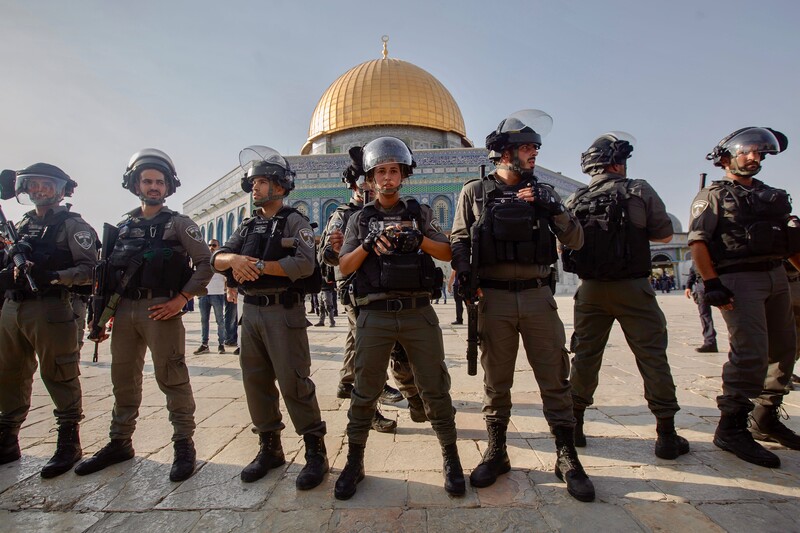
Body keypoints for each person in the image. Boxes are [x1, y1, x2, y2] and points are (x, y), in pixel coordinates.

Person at [451, 110, 594, 502]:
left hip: (536, 295)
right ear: (505, 153)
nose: (534, 154)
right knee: (496, 381)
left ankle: (566, 455)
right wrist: (464, 271)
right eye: (527, 147)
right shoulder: (474, 191)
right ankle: (497, 451)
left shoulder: (543, 192)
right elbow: (460, 238)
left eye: (535, 147)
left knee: (554, 376)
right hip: (493, 298)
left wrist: (555, 208)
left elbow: (577, 240)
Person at [335, 136, 464, 500]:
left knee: (435, 387)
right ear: (371, 179)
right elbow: (344, 266)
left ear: (403, 175)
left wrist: (416, 237)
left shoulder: (420, 213)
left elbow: (448, 252)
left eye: (394, 171)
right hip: (374, 315)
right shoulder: (360, 219)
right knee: (365, 390)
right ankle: (354, 461)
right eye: (381, 172)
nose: (388, 178)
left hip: (417, 313)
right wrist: (368, 244)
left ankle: (451, 459)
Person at [74, 149, 211, 482]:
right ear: (136, 184)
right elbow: (106, 275)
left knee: (172, 376)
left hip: (161, 309)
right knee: (123, 379)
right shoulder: (121, 228)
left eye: (159, 182)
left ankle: (183, 444)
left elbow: (205, 265)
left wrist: (181, 299)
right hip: (123, 313)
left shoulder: (179, 224)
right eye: (147, 181)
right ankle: (120, 441)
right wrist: (100, 316)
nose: (153, 187)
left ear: (168, 187)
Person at [562, 132, 688, 464]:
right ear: (619, 162)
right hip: (633, 288)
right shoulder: (638, 189)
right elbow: (664, 232)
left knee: (585, 356)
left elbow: (567, 242)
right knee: (651, 356)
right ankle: (666, 435)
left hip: (589, 291)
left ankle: (575, 426)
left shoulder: (574, 199)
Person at [211, 145, 328, 490]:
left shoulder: (295, 221)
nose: (255, 189)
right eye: (254, 183)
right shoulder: (248, 226)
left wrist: (261, 266)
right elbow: (217, 256)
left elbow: (306, 263)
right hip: (252, 314)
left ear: (279, 185)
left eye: (262, 182)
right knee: (256, 381)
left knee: (293, 382)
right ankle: (270, 447)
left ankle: (314, 451)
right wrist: (233, 261)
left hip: (283, 311)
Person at [688, 127, 800, 468]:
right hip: (739, 279)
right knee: (750, 351)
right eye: (747, 152)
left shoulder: (772, 197)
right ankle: (731, 428)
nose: (754, 158)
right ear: (727, 157)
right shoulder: (714, 195)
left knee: (785, 349)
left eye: (759, 153)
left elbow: (791, 243)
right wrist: (713, 284)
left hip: (776, 275)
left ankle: (764, 417)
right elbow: (698, 242)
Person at [0, 163, 96, 478]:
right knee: (10, 373)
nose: (40, 190)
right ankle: (8, 435)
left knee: (59, 372)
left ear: (59, 189)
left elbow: (90, 271)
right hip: (14, 308)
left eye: (46, 185)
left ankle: (69, 439)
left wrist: (53, 276)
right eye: (34, 185)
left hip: (54, 307)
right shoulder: (19, 226)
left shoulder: (72, 225)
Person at [194, 239, 227, 354]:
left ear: (218, 247)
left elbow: (227, 277)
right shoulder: (203, 260)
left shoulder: (222, 260)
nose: (211, 247)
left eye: (214, 245)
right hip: (204, 294)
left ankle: (221, 344)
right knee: (204, 320)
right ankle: (204, 344)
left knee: (220, 320)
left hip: (217, 294)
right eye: (209, 245)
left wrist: (227, 289)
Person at [685, 262, 718, 352]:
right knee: (704, 315)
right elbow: (692, 271)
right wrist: (688, 286)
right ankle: (710, 342)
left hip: (717, 283)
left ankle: (735, 342)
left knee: (729, 313)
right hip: (701, 286)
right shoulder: (697, 253)